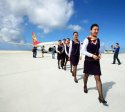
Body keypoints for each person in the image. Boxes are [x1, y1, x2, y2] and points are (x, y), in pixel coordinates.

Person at [81, 24, 107, 104]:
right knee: (86, 75)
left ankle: (101, 96)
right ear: (90, 30)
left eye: (97, 29)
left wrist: (99, 54)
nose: (96, 31)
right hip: (88, 61)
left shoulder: (98, 40)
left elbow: (98, 49)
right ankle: (85, 85)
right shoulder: (86, 39)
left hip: (96, 62)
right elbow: (83, 51)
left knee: (98, 78)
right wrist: (92, 55)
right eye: (95, 29)